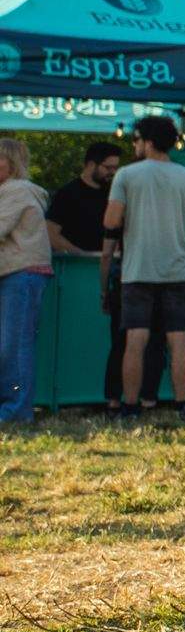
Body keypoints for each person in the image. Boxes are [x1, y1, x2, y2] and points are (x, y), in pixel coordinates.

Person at [101, 117, 185, 416]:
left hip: (137, 269)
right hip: (178, 269)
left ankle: (130, 404)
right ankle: (182, 403)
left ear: (147, 141)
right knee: (179, 339)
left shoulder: (126, 175)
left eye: (136, 139)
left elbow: (111, 221)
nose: (135, 145)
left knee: (136, 339)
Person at [46, 141, 121, 403]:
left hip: (110, 271)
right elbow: (51, 233)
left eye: (115, 168)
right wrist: (81, 255)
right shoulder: (67, 194)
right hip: (75, 274)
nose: (112, 172)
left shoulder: (114, 195)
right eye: (108, 167)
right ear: (91, 164)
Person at [0, 138, 54, 424]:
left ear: (12, 163)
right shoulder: (19, 191)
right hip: (22, 273)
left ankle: (16, 410)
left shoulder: (16, 191)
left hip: (20, 273)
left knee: (15, 344)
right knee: (12, 342)